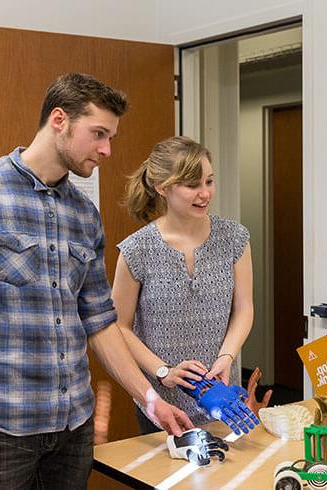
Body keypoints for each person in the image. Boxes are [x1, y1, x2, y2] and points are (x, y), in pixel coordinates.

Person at [0, 73, 193, 488]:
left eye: (110, 136)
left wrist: (148, 398)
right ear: (59, 120)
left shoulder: (83, 214)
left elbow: (100, 320)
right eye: (98, 134)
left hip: (73, 429)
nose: (107, 149)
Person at [111, 136, 255, 434]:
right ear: (162, 188)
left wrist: (226, 357)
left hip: (222, 394)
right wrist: (164, 372)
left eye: (209, 181)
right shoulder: (137, 250)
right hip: (164, 404)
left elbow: (244, 309)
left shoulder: (235, 239)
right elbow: (119, 326)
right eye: (192, 185)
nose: (205, 193)